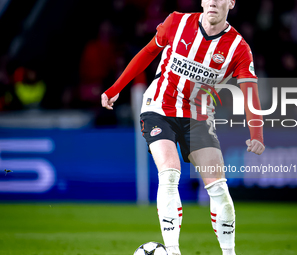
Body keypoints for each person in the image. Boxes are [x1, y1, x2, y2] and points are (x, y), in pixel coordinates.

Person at [101, 0, 265, 254]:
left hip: (198, 118)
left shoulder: (238, 48)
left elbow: (250, 94)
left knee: (218, 187)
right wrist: (115, 88)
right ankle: (172, 251)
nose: (212, 2)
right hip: (159, 109)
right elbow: (147, 52)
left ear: (231, 3)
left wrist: (257, 134)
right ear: (202, 1)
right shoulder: (177, 22)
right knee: (169, 174)